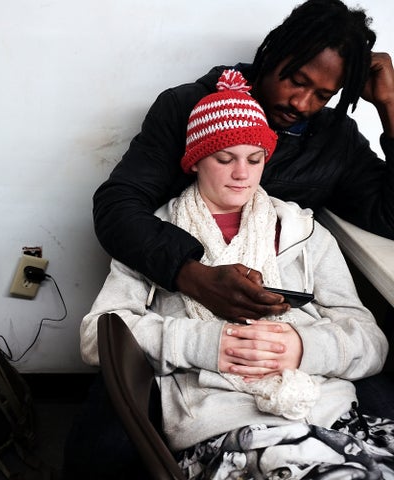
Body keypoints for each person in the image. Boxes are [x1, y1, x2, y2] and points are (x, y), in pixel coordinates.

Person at [70, 70, 392, 479]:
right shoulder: (156, 236)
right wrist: (209, 344)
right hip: (219, 422)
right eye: (225, 158)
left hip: (325, 414)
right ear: (195, 161)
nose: (242, 173)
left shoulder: (304, 232)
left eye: (254, 159)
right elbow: (98, 335)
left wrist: (302, 347)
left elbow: (370, 340)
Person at [91, 0, 394, 421]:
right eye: (295, 80)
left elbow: (389, 216)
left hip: (291, 352)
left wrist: (390, 107)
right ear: (270, 55)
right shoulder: (188, 109)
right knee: (108, 443)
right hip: (187, 333)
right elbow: (117, 207)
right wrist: (191, 275)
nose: (303, 103)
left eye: (323, 95)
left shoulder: (332, 141)